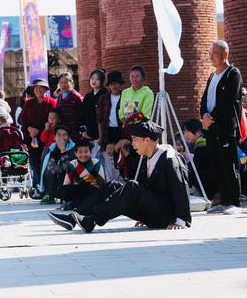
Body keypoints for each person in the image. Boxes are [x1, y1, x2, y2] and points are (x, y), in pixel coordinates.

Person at [48, 118, 192, 232]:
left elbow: (180, 188)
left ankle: (91, 220)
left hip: (165, 215)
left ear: (147, 140)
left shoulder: (170, 158)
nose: (132, 144)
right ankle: (73, 219)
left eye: (135, 139)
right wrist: (143, 212)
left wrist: (182, 219)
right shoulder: (147, 157)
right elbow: (145, 189)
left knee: (131, 187)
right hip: (153, 210)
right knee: (112, 185)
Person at [200, 40, 243, 214]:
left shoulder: (233, 74)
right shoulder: (212, 76)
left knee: (229, 164)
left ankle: (235, 202)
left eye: (214, 54)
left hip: (225, 129)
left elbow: (227, 101)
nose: (211, 57)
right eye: (209, 53)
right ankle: (224, 200)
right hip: (210, 128)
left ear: (225, 55)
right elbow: (204, 100)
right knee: (217, 164)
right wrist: (203, 115)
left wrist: (212, 117)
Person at [21, 79, 57, 198]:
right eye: (36, 87)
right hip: (31, 138)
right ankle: (38, 188)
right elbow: (23, 120)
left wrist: (40, 131)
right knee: (34, 163)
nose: (38, 89)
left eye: (41, 87)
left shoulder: (51, 102)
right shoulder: (28, 103)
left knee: (46, 163)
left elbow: (53, 119)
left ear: (46, 89)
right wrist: (30, 129)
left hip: (46, 138)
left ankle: (47, 188)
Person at [60, 139, 106, 212]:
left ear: (90, 152)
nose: (83, 155)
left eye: (86, 152)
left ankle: (77, 204)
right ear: (75, 153)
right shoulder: (72, 164)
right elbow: (66, 183)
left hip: (91, 190)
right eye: (80, 152)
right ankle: (75, 203)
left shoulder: (96, 163)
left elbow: (101, 183)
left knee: (96, 192)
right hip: (77, 189)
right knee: (64, 189)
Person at [39, 125, 76, 204]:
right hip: (55, 179)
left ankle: (66, 196)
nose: (61, 137)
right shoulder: (50, 149)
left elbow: (68, 167)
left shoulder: (74, 149)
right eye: (58, 135)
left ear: (69, 137)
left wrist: (63, 150)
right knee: (50, 169)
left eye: (64, 135)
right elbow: (45, 166)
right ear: (54, 137)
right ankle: (49, 194)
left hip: (69, 180)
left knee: (65, 172)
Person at [97, 71, 125, 151]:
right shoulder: (103, 99)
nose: (114, 86)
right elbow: (100, 119)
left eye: (116, 83)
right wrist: (100, 136)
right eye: (111, 84)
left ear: (120, 84)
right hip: (108, 131)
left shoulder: (125, 96)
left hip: (122, 131)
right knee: (109, 156)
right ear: (109, 85)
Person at [54, 72, 83, 141]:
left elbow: (82, 114)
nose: (63, 85)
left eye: (66, 82)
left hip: (74, 131)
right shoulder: (59, 97)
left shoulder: (76, 96)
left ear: (71, 83)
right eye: (61, 82)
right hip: (62, 132)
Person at [80, 69, 108, 140]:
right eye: (92, 78)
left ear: (102, 81)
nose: (94, 81)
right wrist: (83, 130)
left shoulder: (105, 94)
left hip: (102, 133)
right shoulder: (88, 96)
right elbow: (83, 114)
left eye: (97, 79)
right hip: (88, 133)